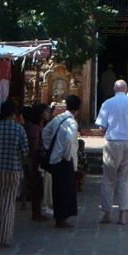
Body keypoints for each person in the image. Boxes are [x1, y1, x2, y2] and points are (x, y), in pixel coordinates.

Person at [0, 98, 29, 247]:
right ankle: (3, 238)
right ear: (14, 114)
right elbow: (25, 151)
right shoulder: (19, 129)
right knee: (7, 205)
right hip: (13, 170)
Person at [95, 79, 128, 225]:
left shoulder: (107, 103)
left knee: (108, 179)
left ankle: (107, 213)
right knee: (125, 179)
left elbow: (101, 127)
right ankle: (123, 215)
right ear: (126, 89)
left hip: (112, 142)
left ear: (114, 89)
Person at [42, 96, 80, 229]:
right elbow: (69, 140)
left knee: (58, 189)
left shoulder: (58, 118)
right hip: (64, 160)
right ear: (78, 109)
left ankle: (60, 217)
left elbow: (45, 132)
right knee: (65, 190)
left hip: (55, 158)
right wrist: (67, 155)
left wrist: (49, 147)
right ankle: (61, 218)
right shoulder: (72, 122)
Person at [24, 103, 50, 222]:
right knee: (36, 187)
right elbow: (34, 147)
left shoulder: (40, 127)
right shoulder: (35, 128)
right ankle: (36, 213)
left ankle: (37, 212)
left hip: (37, 160)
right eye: (46, 111)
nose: (48, 114)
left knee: (38, 187)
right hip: (35, 161)